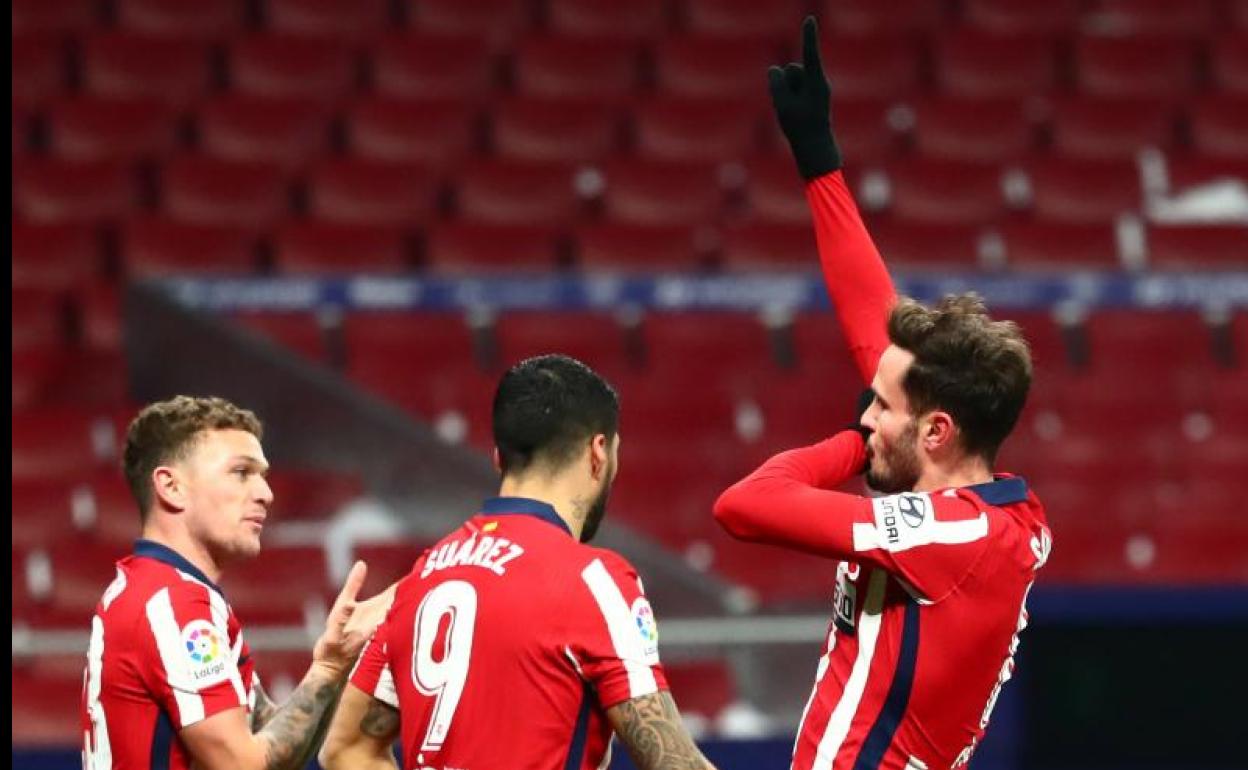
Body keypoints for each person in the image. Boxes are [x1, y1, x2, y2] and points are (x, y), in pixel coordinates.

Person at [713, 18, 1054, 770]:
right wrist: (819, 162)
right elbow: (876, 323)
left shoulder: (948, 539)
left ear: (936, 432)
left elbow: (745, 505)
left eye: (880, 409)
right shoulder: (985, 507)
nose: (867, 414)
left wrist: (847, 444)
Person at [319, 355, 715, 770]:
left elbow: (345, 749)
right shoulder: (594, 580)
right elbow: (675, 764)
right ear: (599, 453)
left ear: (497, 458)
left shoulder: (422, 577)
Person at [80, 395, 391, 770]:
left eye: (262, 475)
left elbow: (264, 737)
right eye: (242, 472)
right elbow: (245, 765)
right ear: (171, 486)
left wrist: (331, 663)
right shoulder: (172, 603)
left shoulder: (156, 589)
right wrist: (328, 670)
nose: (265, 493)